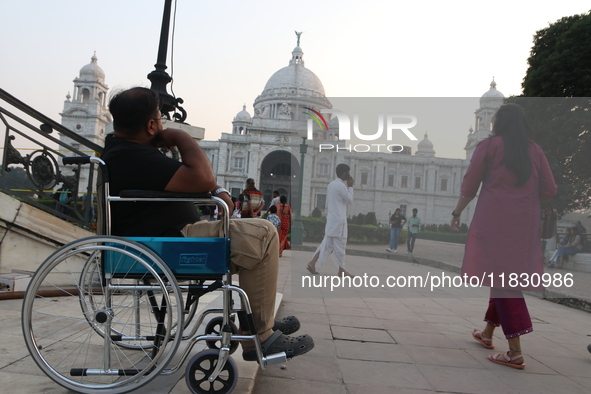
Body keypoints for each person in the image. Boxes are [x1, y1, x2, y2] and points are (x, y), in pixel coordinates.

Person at [101, 87, 313, 361]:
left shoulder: (125, 152)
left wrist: (213, 190)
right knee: (263, 234)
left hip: (165, 239)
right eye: (160, 120)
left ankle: (258, 323)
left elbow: (191, 184)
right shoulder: (135, 156)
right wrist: (179, 136)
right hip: (168, 245)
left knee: (254, 238)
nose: (164, 126)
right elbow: (203, 177)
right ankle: (258, 336)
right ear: (152, 125)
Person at [450, 103, 557, 369]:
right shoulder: (535, 150)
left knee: (504, 282)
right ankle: (487, 334)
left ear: (499, 123)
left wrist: (456, 213)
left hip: (495, 221)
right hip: (525, 224)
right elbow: (550, 189)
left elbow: (470, 185)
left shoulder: (489, 146)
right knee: (505, 277)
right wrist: (526, 197)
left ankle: (515, 352)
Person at [306, 163, 355, 277]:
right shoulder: (341, 186)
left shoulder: (331, 184)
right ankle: (342, 270)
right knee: (340, 245)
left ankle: (312, 263)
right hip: (339, 220)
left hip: (332, 218)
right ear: (344, 173)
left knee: (326, 244)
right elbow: (350, 200)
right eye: (348, 172)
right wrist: (351, 186)